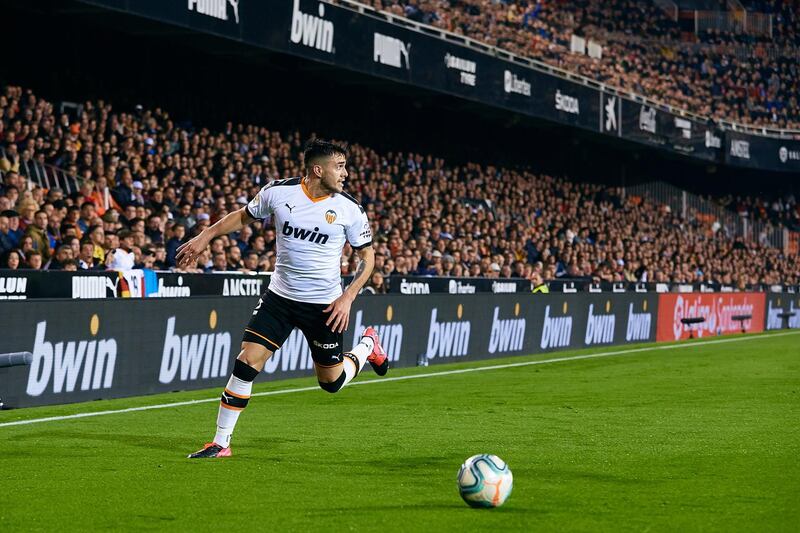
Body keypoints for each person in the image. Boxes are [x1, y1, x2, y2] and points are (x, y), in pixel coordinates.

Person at [177, 139, 388, 459]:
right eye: (339, 166)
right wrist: (205, 236)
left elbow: (367, 258)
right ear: (318, 169)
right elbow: (242, 216)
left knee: (330, 382)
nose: (345, 173)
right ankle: (221, 443)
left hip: (325, 305)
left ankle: (367, 346)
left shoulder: (349, 208)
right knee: (247, 361)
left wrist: (348, 297)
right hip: (280, 298)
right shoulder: (279, 193)